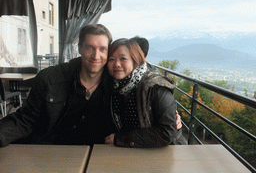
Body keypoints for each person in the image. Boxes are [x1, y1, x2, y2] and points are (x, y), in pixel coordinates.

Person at [0, 24, 182, 147]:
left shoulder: (118, 85)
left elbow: (142, 109)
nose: (96, 55)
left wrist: (167, 118)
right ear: (79, 48)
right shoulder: (50, 79)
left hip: (97, 154)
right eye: (89, 47)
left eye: (102, 49)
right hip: (50, 150)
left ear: (107, 52)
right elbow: (25, 119)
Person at [105, 38, 187, 148]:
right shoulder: (113, 86)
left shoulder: (155, 87)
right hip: (129, 152)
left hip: (165, 152)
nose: (117, 64)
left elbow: (167, 132)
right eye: (111, 59)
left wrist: (120, 139)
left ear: (135, 60)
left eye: (123, 59)